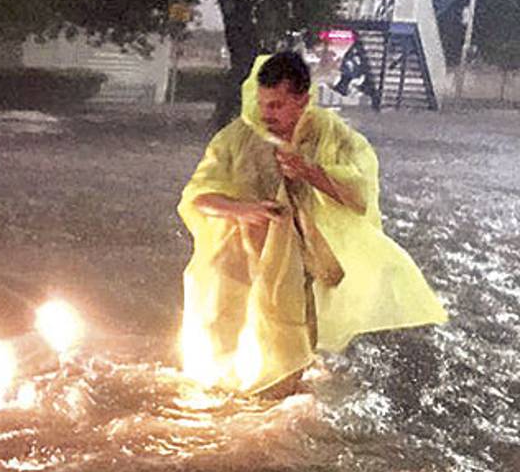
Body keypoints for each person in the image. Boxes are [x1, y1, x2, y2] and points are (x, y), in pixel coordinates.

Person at [176, 51, 448, 397]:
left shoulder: (335, 138)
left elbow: (359, 195)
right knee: (219, 353)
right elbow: (197, 197)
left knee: (291, 347)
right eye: (262, 103)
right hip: (233, 263)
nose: (266, 114)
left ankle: (282, 403)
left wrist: (310, 172)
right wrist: (242, 210)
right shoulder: (235, 139)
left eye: (277, 105)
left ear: (302, 101)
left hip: (299, 263)